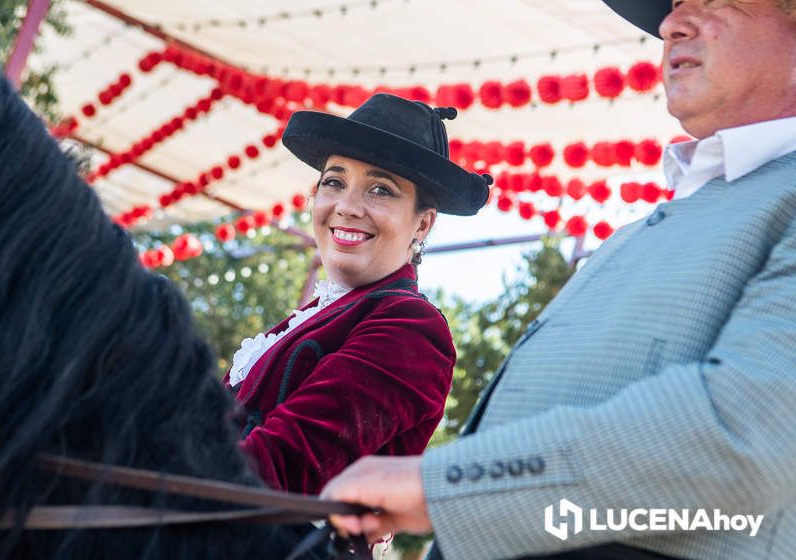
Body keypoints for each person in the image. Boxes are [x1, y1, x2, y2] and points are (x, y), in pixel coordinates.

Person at [322, 1, 796, 558]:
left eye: (718, 0)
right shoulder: (641, 229)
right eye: (673, 8)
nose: (672, 25)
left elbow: (747, 436)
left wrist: (441, 485)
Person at [227, 93, 491, 495]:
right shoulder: (320, 313)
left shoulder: (412, 329)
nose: (347, 206)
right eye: (334, 181)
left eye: (380, 190)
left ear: (422, 225)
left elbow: (282, 466)